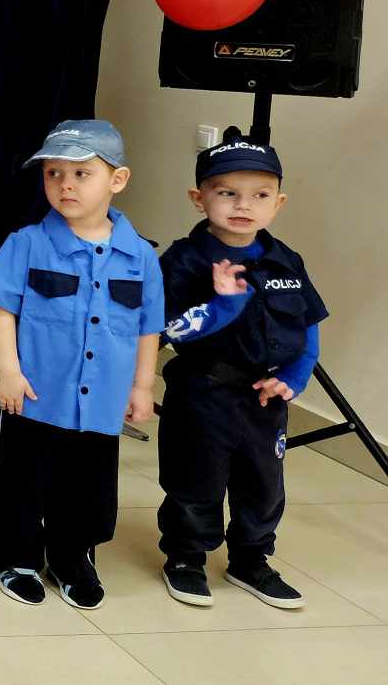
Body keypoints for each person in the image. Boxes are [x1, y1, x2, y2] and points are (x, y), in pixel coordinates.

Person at [0, 119, 163, 610]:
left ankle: (73, 557)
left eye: (82, 174)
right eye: (53, 174)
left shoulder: (141, 256)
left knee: (88, 489)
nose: (65, 185)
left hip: (102, 400)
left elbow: (148, 327)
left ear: (117, 180)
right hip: (34, 397)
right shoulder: (26, 243)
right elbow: (2, 311)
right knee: (22, 481)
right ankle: (15, 558)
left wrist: (142, 387)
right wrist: (8, 371)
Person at [157, 129, 322, 611]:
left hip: (265, 398)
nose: (243, 205)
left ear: (278, 202)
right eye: (227, 192)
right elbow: (166, 330)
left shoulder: (285, 259)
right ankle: (186, 557)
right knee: (195, 480)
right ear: (199, 198)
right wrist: (222, 306)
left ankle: (251, 559)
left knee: (263, 484)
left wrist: (295, 377)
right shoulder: (182, 261)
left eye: (260, 195)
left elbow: (308, 322)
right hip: (203, 393)